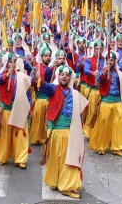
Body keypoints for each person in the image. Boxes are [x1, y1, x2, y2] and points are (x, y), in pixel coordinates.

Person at [37, 65, 88, 199]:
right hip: (56, 131)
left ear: (70, 78)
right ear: (58, 77)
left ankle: (65, 185)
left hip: (70, 131)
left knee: (68, 159)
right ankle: (57, 182)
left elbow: (80, 113)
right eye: (62, 74)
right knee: (56, 158)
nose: (64, 76)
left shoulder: (75, 94)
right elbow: (44, 86)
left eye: (66, 75)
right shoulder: (53, 89)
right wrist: (39, 79)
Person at [0, 53, 32, 169]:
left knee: (21, 135)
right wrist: (7, 75)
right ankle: (3, 156)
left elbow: (27, 92)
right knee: (5, 134)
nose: (13, 64)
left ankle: (20, 159)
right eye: (10, 62)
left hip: (19, 108)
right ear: (6, 63)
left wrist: (29, 106)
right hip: (7, 109)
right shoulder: (2, 75)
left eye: (14, 61)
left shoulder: (22, 76)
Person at [88, 51, 122, 157]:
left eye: (112, 60)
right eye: (108, 60)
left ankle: (117, 147)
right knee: (103, 124)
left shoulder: (119, 74)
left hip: (117, 102)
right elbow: (99, 80)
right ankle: (101, 146)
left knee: (118, 125)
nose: (110, 62)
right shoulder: (101, 72)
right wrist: (104, 72)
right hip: (105, 102)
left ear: (115, 61)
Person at [30, 46, 52, 145]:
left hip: (50, 99)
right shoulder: (36, 68)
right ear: (41, 57)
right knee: (38, 121)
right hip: (40, 98)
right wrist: (35, 79)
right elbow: (31, 82)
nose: (48, 57)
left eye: (49, 56)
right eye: (45, 56)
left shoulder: (54, 68)